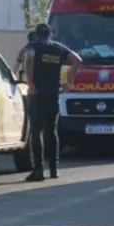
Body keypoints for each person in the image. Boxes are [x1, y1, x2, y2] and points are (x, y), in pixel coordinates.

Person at [22, 23, 82, 181]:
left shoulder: (33, 45)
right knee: (51, 131)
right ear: (50, 34)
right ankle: (54, 170)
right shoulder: (58, 48)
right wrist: (69, 83)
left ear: (36, 34)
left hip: (37, 94)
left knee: (36, 132)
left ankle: (38, 170)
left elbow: (28, 59)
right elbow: (77, 60)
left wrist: (31, 84)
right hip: (53, 94)